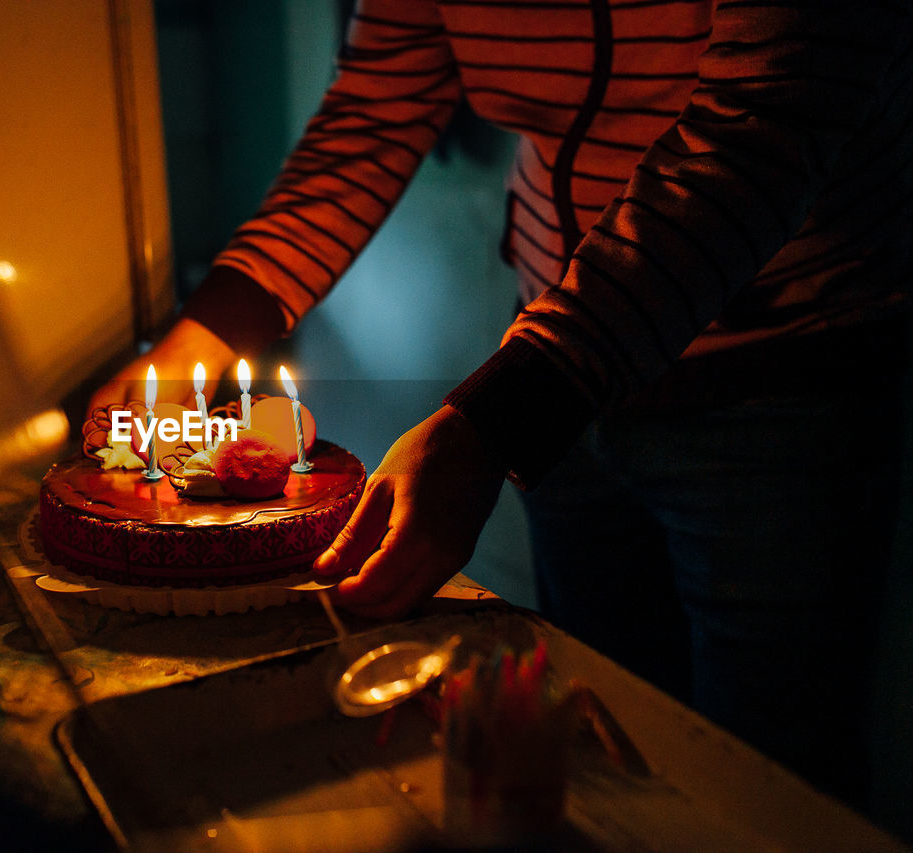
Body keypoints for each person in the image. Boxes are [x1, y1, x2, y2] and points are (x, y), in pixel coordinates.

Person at [91, 0, 911, 804]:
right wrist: (209, 331)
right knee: (594, 749)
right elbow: (374, 111)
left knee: (765, 787)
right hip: (555, 391)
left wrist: (498, 418)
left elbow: (761, 127)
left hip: (774, 383)